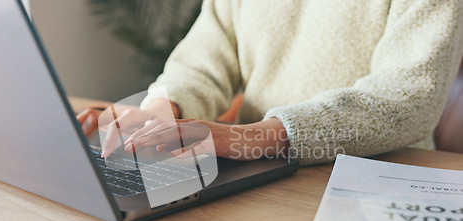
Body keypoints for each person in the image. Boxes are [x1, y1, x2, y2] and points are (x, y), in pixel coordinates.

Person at [78, 0, 463, 165]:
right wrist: (161, 113)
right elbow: (205, 56)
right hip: (262, 171)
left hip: (382, 178)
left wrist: (254, 138)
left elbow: (409, 99)